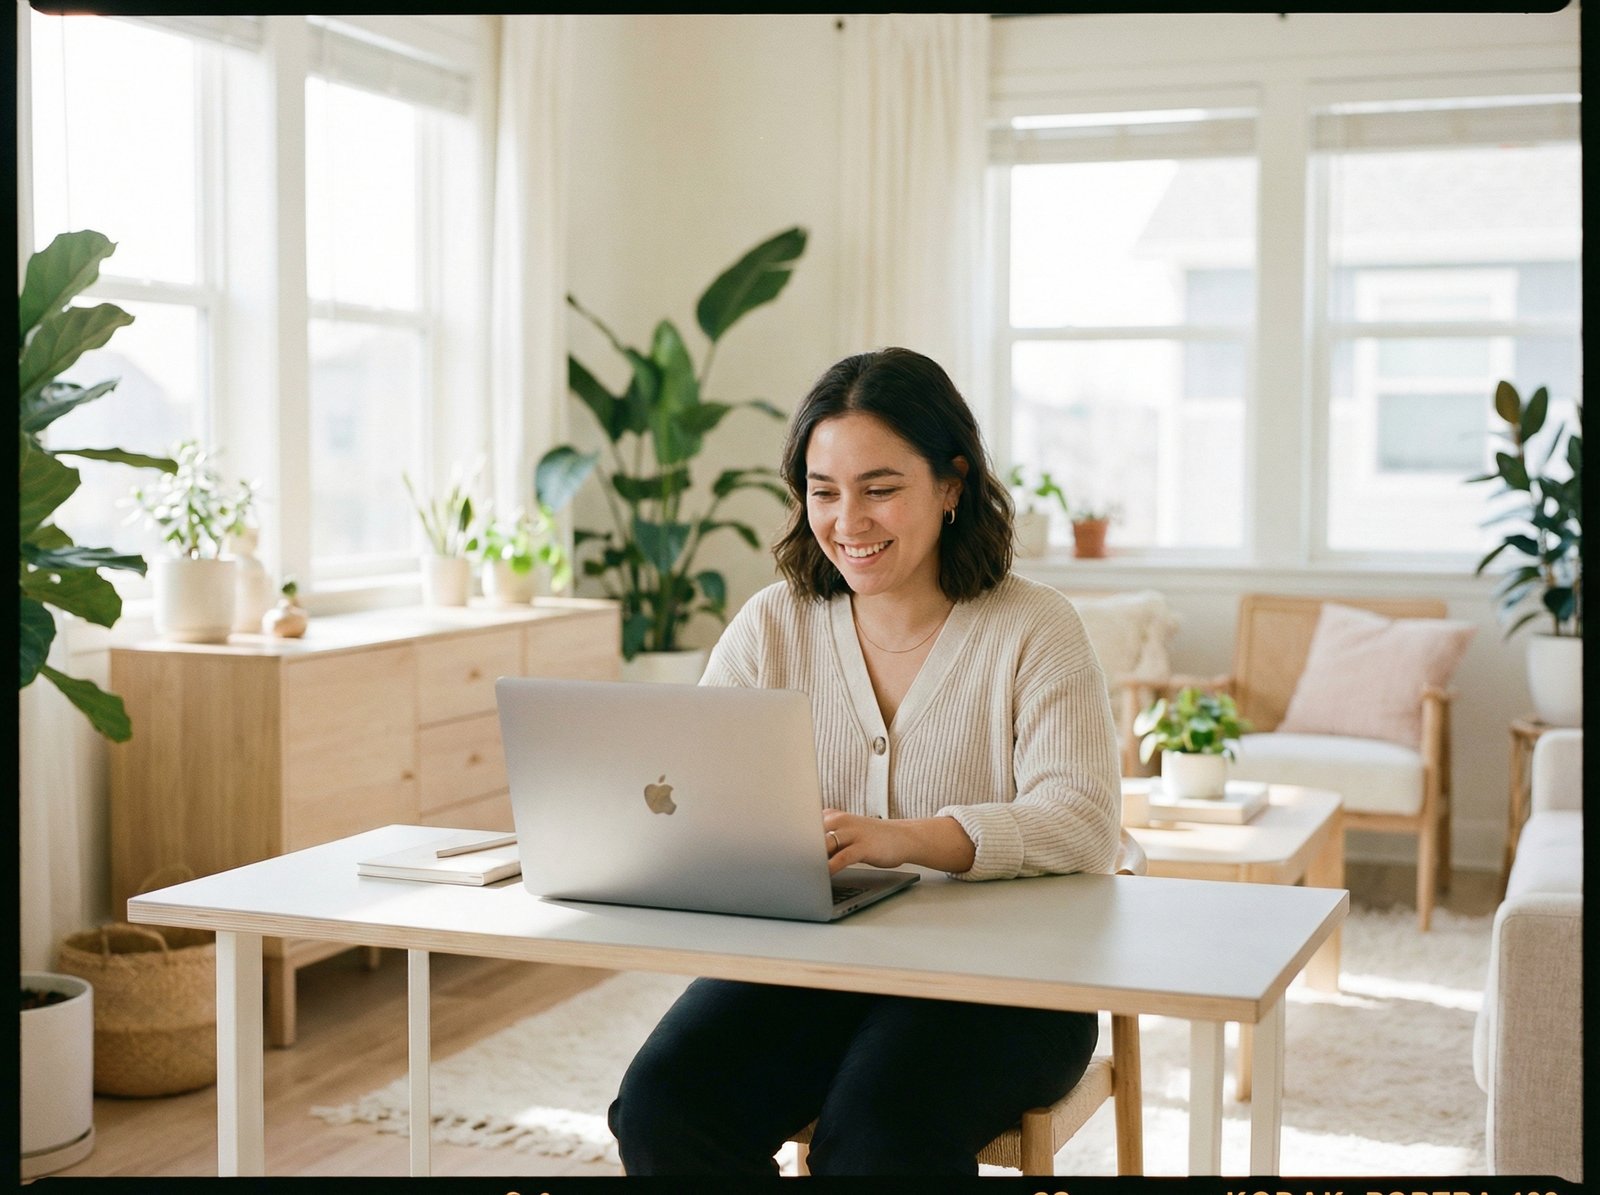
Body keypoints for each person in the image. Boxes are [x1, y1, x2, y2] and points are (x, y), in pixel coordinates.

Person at [607, 346, 1121, 1176]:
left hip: (1008, 984)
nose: (848, 521)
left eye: (880, 489)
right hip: (810, 966)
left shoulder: (1036, 627)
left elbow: (1084, 822)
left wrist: (906, 838)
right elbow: (689, 781)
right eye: (824, 491)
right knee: (663, 1106)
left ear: (952, 484)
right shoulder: (773, 623)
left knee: (879, 1137)